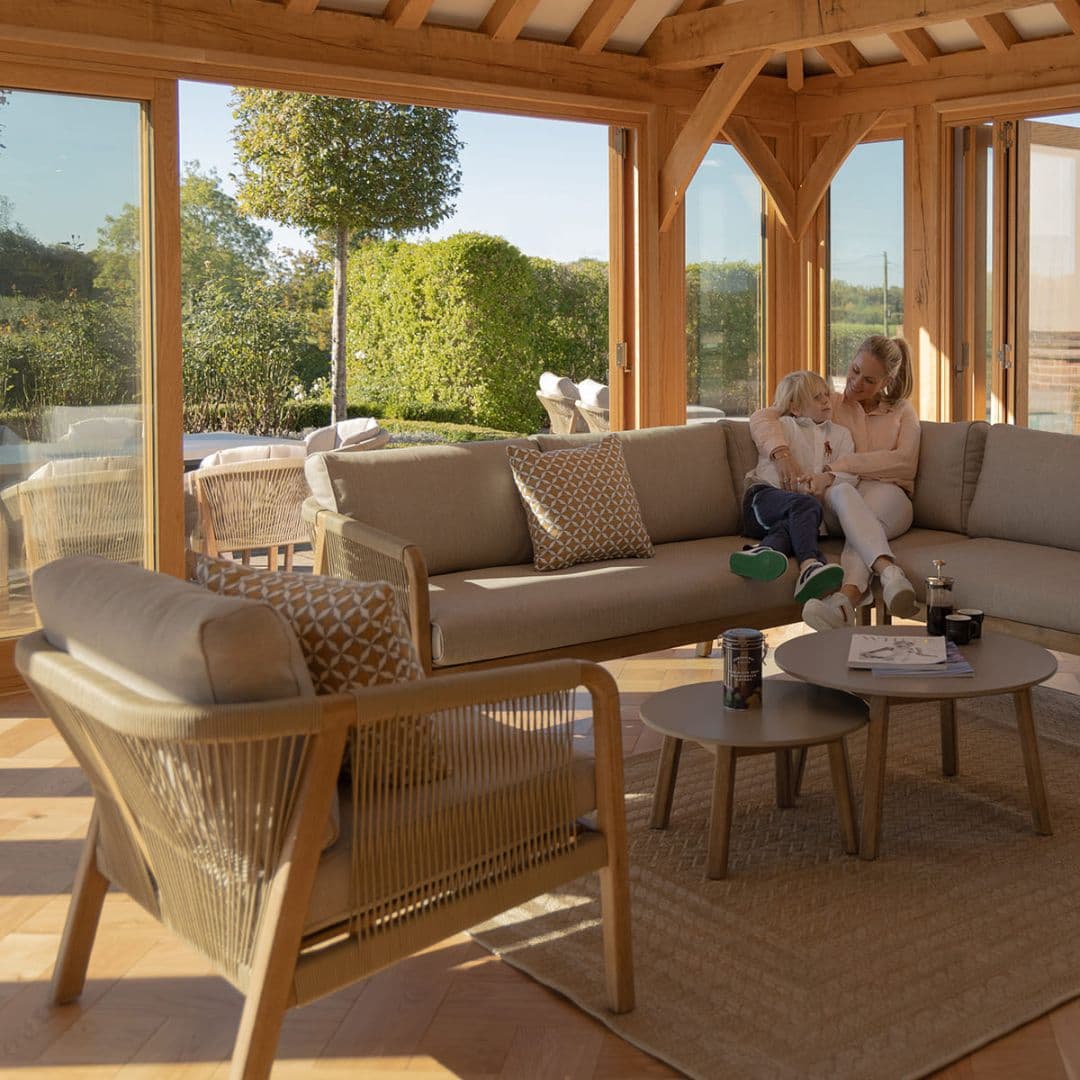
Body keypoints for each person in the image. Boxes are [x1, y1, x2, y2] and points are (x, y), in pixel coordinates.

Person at [749, 335, 921, 631]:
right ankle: (889, 573)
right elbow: (764, 416)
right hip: (840, 495)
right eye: (855, 370)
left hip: (889, 496)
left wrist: (837, 467)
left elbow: (905, 462)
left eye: (869, 380)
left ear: (886, 382)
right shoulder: (829, 403)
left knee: (862, 520)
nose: (856, 383)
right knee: (844, 493)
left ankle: (844, 603)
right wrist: (781, 453)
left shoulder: (902, 411)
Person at [731, 370, 852, 604]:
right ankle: (809, 564)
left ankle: (762, 552)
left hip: (798, 513)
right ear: (795, 408)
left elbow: (849, 474)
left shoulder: (841, 435)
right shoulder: (783, 426)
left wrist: (824, 481)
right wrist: (800, 485)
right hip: (762, 501)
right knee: (806, 505)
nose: (826, 401)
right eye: (817, 397)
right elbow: (762, 422)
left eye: (826, 394)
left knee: (794, 524)